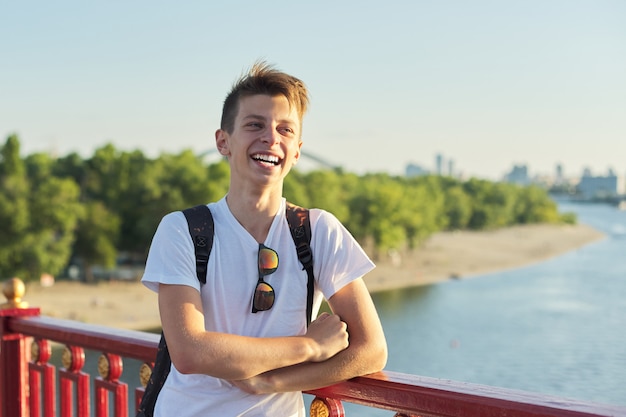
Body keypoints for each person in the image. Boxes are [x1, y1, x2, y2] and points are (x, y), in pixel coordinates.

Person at [141, 61, 387, 416]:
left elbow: (372, 350)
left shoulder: (318, 231)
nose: (271, 138)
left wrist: (271, 382)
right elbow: (190, 352)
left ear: (298, 151)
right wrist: (308, 347)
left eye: (285, 130)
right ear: (223, 141)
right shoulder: (183, 229)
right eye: (254, 125)